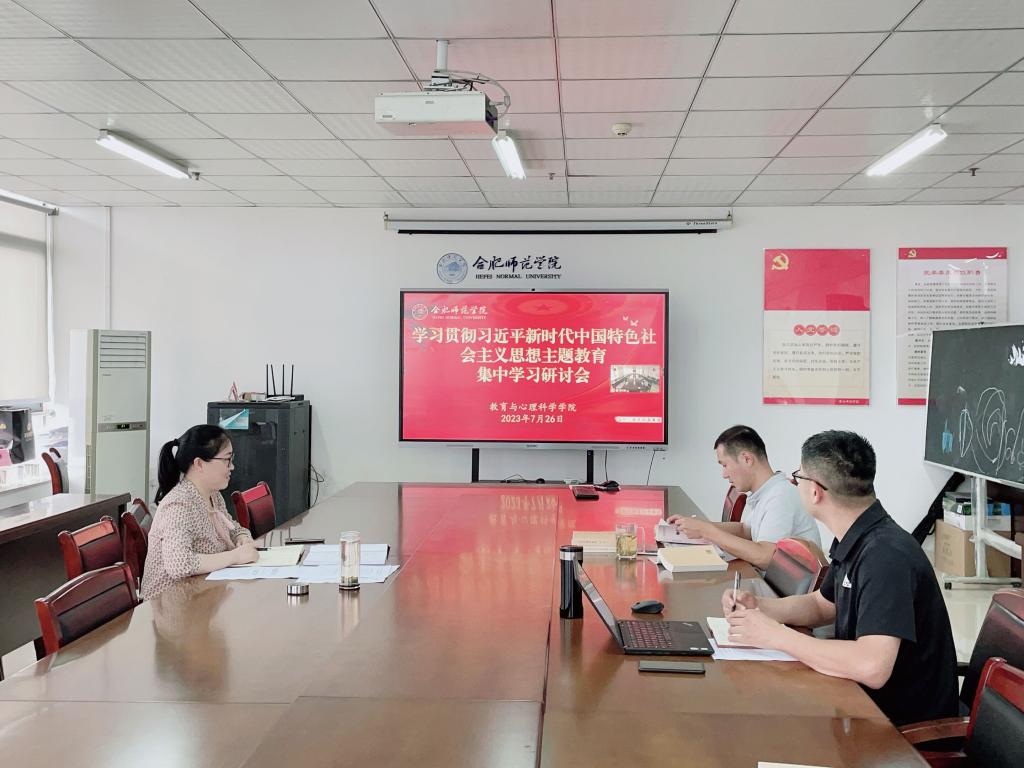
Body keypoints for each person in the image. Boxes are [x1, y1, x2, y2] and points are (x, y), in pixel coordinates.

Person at [723, 430, 959, 726]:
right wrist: (760, 607)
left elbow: (872, 666)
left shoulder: (885, 556)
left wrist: (777, 636)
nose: (796, 483)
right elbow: (822, 605)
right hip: (860, 705)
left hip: (900, 731)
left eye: (799, 476)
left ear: (815, 492)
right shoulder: (858, 535)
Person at [667, 425, 820, 568]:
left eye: (725, 465)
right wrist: (699, 525)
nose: (724, 474)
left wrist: (706, 531)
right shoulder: (769, 491)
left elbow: (766, 557)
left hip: (776, 586)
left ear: (747, 459)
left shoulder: (780, 496)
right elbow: (745, 530)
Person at [140, 424, 258, 600]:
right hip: (172, 605)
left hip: (203, 595)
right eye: (227, 459)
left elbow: (232, 528)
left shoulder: (213, 495)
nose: (232, 466)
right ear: (199, 464)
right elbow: (179, 564)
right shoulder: (179, 505)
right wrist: (235, 556)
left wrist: (242, 538)